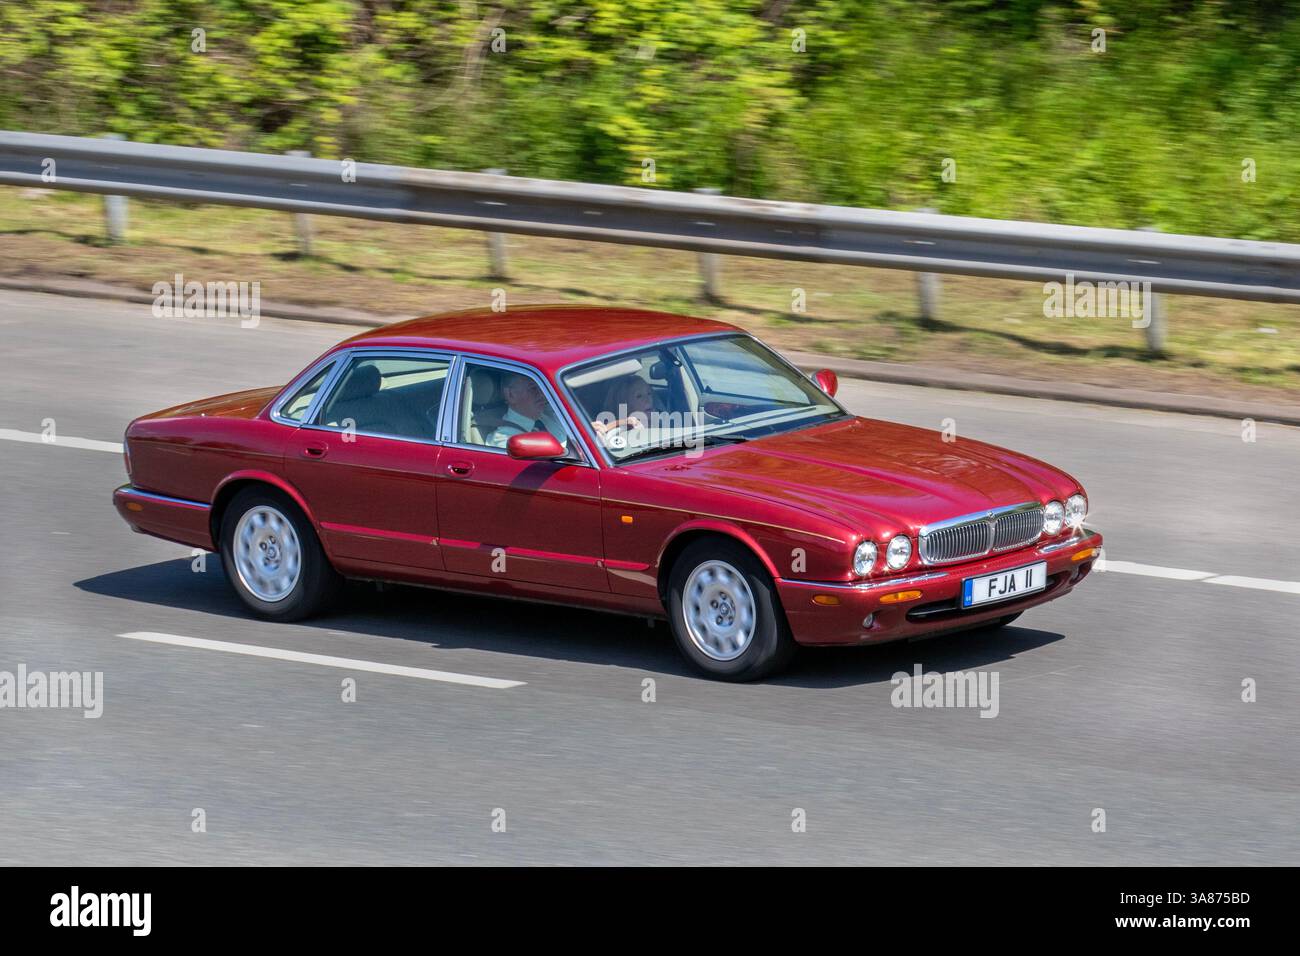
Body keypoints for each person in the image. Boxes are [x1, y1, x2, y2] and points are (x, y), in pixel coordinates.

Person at [486, 372, 566, 449]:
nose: (542, 394)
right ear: (511, 394)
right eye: (533, 389)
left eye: (542, 388)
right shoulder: (507, 441)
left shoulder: (551, 415)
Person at [591, 374, 654, 440]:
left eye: (649, 393)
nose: (647, 399)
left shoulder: (659, 422)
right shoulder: (615, 431)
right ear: (625, 404)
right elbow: (605, 430)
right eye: (639, 396)